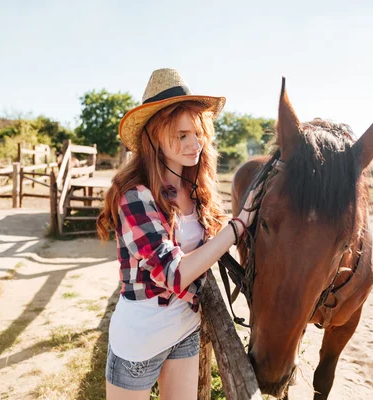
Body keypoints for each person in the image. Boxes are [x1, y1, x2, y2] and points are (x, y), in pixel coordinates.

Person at [97, 68, 256, 400]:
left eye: (197, 133)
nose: (193, 144)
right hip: (139, 339)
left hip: (184, 326)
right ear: (155, 137)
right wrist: (238, 225)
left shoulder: (195, 188)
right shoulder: (135, 196)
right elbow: (175, 273)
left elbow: (213, 244)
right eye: (181, 135)